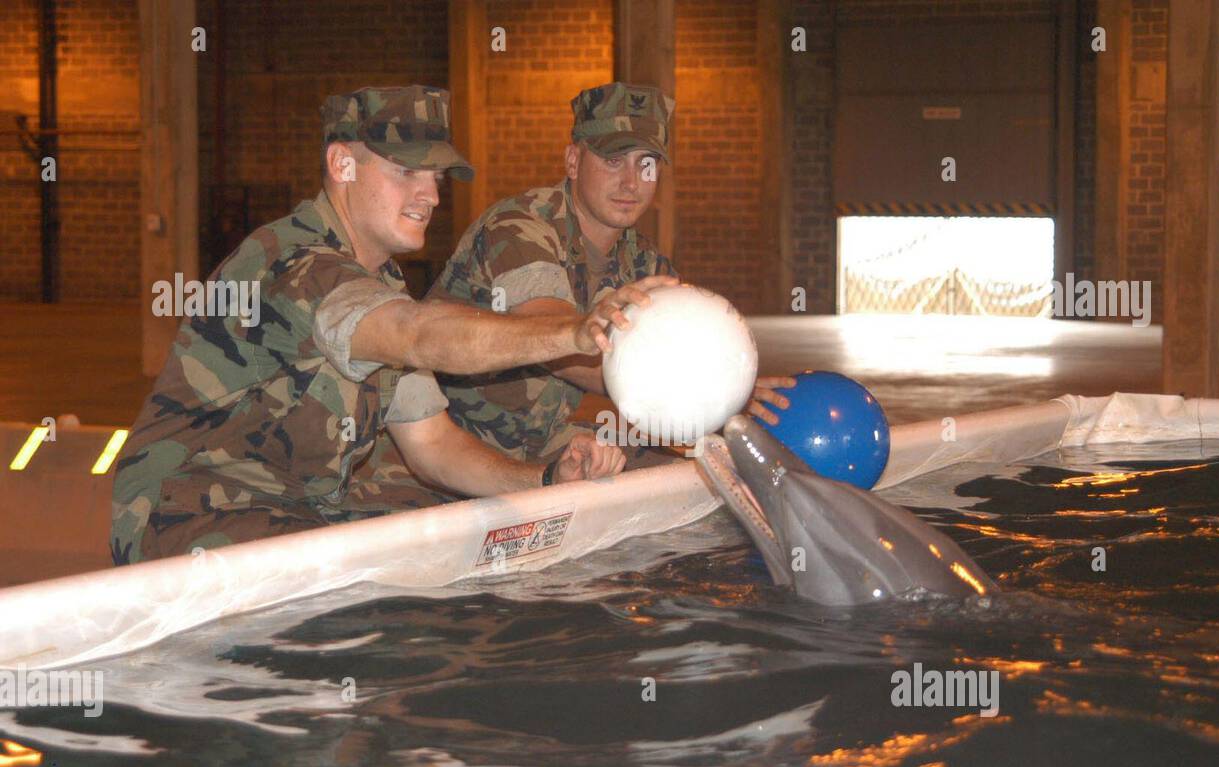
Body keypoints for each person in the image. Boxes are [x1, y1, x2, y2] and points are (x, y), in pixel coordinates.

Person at [111, 85, 670, 565]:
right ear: (341, 165)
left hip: (298, 512)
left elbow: (432, 445)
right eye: (406, 172)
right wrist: (572, 334)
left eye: (435, 177)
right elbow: (416, 333)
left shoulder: (382, 282)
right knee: (371, 610)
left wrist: (546, 482)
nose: (428, 196)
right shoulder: (297, 265)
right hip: (189, 514)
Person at [428, 81, 793, 464]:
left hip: (542, 446)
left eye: (646, 164)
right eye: (613, 160)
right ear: (573, 161)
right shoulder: (520, 226)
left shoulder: (644, 262)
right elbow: (553, 335)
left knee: (704, 473)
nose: (630, 182)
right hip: (449, 453)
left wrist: (728, 392)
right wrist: (701, 390)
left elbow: (683, 346)